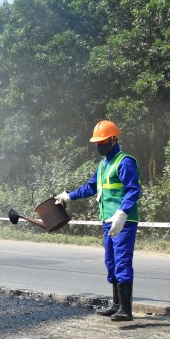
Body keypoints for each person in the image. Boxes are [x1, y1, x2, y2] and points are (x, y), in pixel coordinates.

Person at [55, 120, 141, 322]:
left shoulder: (125, 161)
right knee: (111, 262)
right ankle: (117, 304)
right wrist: (69, 196)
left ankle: (126, 310)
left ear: (113, 140)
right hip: (107, 220)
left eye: (101, 142)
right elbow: (91, 187)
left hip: (123, 221)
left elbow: (133, 190)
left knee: (122, 262)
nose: (98, 146)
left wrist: (122, 213)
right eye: (97, 142)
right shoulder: (103, 164)